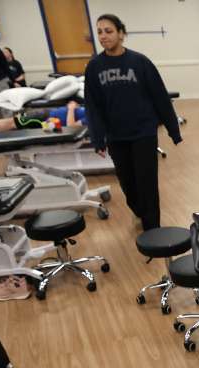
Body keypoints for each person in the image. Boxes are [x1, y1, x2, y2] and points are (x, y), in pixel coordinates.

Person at [83, 13, 181, 232]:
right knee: (128, 185)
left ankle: (152, 228)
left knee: (147, 183)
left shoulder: (140, 62)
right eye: (99, 32)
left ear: (121, 34)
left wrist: (173, 130)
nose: (103, 36)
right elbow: (93, 106)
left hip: (143, 133)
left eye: (108, 31)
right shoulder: (94, 67)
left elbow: (160, 97)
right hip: (116, 136)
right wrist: (97, 138)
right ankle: (139, 210)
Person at [0, 100, 85, 133]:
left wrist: (71, 109)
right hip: (48, 114)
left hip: (48, 121)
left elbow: (71, 126)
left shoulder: (94, 117)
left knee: (12, 124)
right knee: (14, 120)